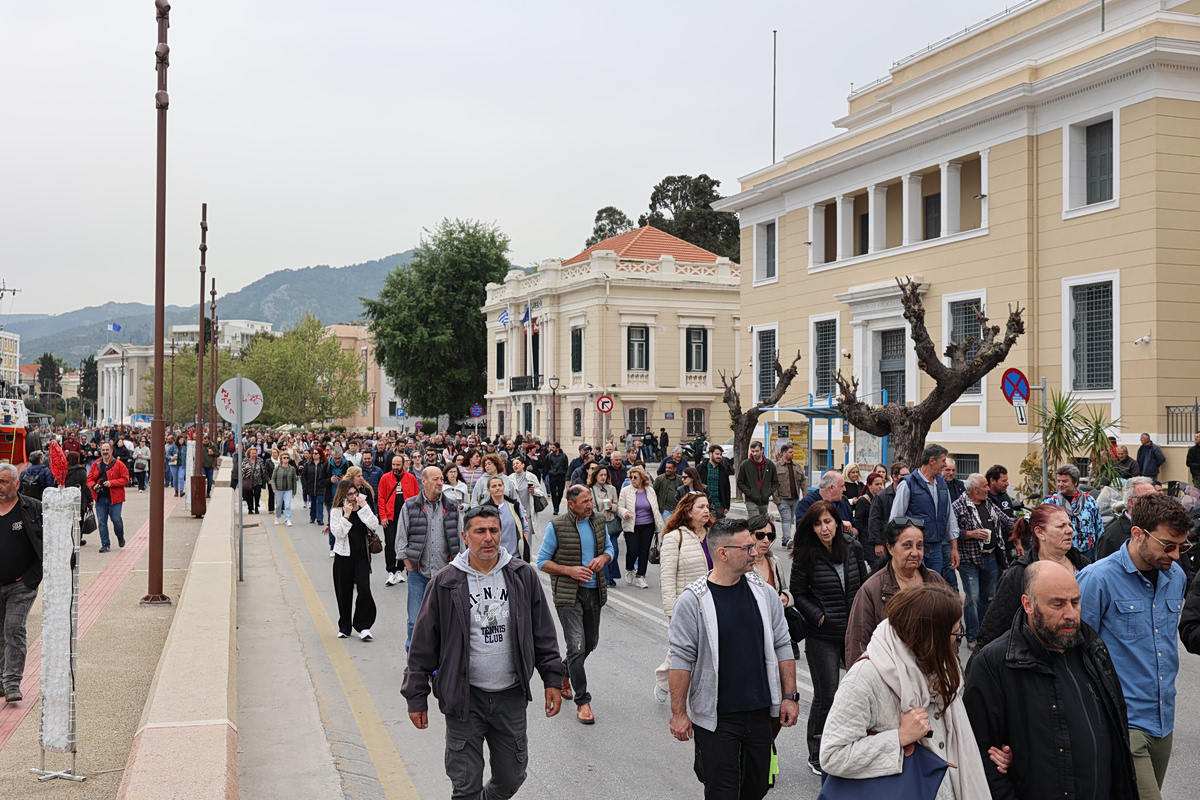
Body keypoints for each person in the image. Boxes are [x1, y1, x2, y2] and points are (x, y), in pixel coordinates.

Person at [402, 505, 565, 800]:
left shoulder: (521, 575)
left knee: (511, 776)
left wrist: (553, 678)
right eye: (480, 531)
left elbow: (543, 632)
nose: (488, 538)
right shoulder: (445, 581)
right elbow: (422, 645)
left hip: (510, 696)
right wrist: (416, 696)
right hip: (465, 698)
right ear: (465, 536)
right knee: (465, 785)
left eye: (494, 530)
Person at [964, 561, 1139, 800]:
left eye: (1075, 602)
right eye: (1058, 604)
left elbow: (1116, 734)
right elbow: (981, 757)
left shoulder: (1093, 648)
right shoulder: (994, 664)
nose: (1070, 615)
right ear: (1028, 604)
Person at [667, 517, 798, 800]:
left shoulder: (764, 593)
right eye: (747, 547)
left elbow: (783, 645)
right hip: (717, 717)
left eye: (753, 546)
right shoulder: (693, 601)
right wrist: (678, 712)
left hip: (761, 712)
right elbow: (681, 659)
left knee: (757, 788)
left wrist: (790, 696)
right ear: (722, 553)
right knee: (722, 792)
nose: (755, 552)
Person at [821, 584, 991, 800]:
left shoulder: (944, 668)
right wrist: (899, 737)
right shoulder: (865, 677)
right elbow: (832, 755)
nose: (957, 638)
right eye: (954, 632)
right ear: (931, 636)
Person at [1077, 492, 1190, 800]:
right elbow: (1076, 653)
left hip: (1164, 718)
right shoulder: (1097, 579)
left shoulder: (1175, 575)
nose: (1177, 554)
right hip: (1123, 721)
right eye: (1168, 545)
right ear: (1138, 534)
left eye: (1183, 546)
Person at [789, 500, 868, 773]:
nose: (824, 528)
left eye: (828, 521)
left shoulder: (853, 547)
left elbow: (865, 585)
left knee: (860, 692)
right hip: (822, 635)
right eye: (818, 523)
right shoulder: (805, 553)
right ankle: (817, 754)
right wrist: (817, 616)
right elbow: (797, 593)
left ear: (837, 521)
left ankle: (849, 746)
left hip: (854, 633)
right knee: (828, 694)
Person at [536, 484, 614, 724]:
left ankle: (563, 672)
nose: (590, 505)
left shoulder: (599, 521)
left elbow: (609, 548)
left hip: (594, 593)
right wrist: (569, 570)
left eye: (591, 500)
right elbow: (542, 562)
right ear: (571, 505)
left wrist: (603, 558)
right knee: (577, 646)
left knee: (590, 643)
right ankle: (583, 701)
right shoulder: (557, 526)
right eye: (584, 502)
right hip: (568, 597)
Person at [972, 504, 1091, 654]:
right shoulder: (1019, 574)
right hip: (1036, 658)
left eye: (1069, 524)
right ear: (1040, 532)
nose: (1070, 530)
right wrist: (979, 668)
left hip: (1079, 654)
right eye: (1061, 526)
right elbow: (993, 631)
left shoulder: (1083, 565)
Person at [845, 517, 948, 665]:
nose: (914, 552)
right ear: (890, 548)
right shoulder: (872, 590)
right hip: (890, 679)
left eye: (919, 546)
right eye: (907, 545)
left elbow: (954, 628)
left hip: (932, 674)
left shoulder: (935, 581)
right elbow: (858, 644)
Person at [396, 467, 462, 651]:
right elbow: (401, 539)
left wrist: (458, 566)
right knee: (415, 621)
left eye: (442, 479)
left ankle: (439, 663)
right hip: (419, 574)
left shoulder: (452, 506)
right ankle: (414, 661)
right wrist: (409, 565)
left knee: (444, 622)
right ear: (423, 481)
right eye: (436, 479)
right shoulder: (410, 505)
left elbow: (459, 537)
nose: (440, 482)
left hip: (444, 575)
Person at [656, 493, 713, 703]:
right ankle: (664, 680)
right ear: (688, 511)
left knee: (709, 649)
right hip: (686, 605)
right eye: (700, 507)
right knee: (682, 650)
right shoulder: (674, 537)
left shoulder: (714, 535)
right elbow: (667, 576)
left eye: (707, 506)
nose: (706, 510)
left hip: (714, 603)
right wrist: (671, 611)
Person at [952, 473, 1012, 649]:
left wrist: (1023, 522)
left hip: (991, 557)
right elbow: (952, 531)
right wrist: (971, 534)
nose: (988, 489)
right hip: (969, 559)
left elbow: (1006, 520)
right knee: (973, 598)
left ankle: (984, 634)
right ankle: (972, 637)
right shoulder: (958, 507)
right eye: (985, 486)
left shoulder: (989, 503)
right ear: (975, 489)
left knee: (989, 598)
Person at [0, 463, 44, 703]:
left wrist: (31, 578)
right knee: (0, 633)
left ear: (17, 484)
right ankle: (1, 680)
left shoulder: (32, 509)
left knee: (14, 629)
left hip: (21, 585)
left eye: (4, 482)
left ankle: (13, 682)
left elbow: (48, 545)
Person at [889, 443, 959, 586]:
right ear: (932, 460)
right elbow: (896, 519)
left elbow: (949, 517)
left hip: (937, 546)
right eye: (943, 461)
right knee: (914, 584)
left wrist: (954, 548)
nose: (945, 465)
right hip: (915, 546)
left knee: (932, 586)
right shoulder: (908, 483)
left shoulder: (942, 484)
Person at [329, 481, 380, 641]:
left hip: (362, 556)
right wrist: (346, 515)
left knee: (364, 589)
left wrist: (364, 507)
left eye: (355, 493)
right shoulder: (336, 511)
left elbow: (374, 525)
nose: (353, 497)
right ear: (343, 496)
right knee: (344, 593)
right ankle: (344, 626)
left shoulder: (363, 506)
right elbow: (338, 533)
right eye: (350, 494)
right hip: (343, 557)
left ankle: (363, 626)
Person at [617, 466, 664, 589]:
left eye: (635, 477)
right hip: (631, 525)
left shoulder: (650, 490)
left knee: (644, 551)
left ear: (642, 478)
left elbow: (655, 508)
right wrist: (625, 513)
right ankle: (629, 568)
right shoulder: (626, 491)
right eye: (630, 477)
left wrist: (659, 525)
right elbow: (619, 507)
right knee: (633, 550)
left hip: (647, 525)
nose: (632, 479)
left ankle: (641, 576)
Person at [1045, 464, 1103, 562]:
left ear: (1075, 482)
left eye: (1064, 481)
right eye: (1058, 481)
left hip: (1084, 554)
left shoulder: (1089, 501)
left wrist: (1098, 558)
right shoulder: (1050, 502)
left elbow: (1099, 529)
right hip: (1058, 554)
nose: (1060, 484)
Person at [378, 455, 420, 587]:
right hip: (390, 517)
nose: (395, 467)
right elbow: (381, 498)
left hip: (406, 517)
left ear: (404, 465)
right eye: (393, 465)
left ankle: (400, 570)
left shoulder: (411, 478)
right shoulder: (385, 478)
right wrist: (383, 516)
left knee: (404, 544)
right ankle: (391, 571)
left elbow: (416, 497)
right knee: (390, 544)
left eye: (398, 465)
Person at [1094, 476, 1157, 560]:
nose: (1156, 502)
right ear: (1131, 502)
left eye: (1157, 497)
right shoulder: (1111, 537)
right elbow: (1104, 570)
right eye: (1148, 498)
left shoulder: (1160, 527)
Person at [87, 441, 130, 553]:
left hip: (115, 498)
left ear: (111, 451)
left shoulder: (119, 464)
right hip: (100, 498)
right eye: (103, 450)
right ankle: (105, 544)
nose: (105, 452)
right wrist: (93, 485)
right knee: (101, 522)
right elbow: (89, 480)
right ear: (100, 451)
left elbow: (126, 479)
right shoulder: (95, 464)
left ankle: (120, 537)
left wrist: (112, 483)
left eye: (107, 450)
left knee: (116, 520)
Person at [482, 475, 531, 561]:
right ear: (489, 491)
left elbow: (525, 527)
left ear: (504, 487)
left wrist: (523, 546)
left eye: (500, 485)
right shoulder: (484, 509)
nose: (498, 488)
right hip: (495, 558)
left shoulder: (514, 505)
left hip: (515, 557)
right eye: (494, 486)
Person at [867, 462, 910, 559]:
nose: (908, 478)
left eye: (909, 475)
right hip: (886, 541)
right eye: (904, 475)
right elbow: (874, 520)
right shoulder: (882, 496)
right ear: (894, 477)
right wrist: (878, 542)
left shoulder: (911, 494)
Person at [587, 466, 620, 586]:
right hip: (598, 524)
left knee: (614, 550)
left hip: (610, 524)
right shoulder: (590, 490)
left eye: (605, 475)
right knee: (602, 552)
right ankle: (606, 578)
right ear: (595, 476)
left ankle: (611, 574)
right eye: (601, 475)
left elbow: (617, 505)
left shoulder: (611, 489)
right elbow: (589, 507)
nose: (603, 477)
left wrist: (612, 506)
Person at [795, 470, 854, 536]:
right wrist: (839, 524)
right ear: (831, 488)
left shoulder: (843, 504)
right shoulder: (807, 503)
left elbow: (855, 527)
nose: (845, 489)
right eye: (842, 486)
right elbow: (801, 529)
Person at [736, 441, 778, 518]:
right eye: (753, 451)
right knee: (755, 520)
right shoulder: (745, 465)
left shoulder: (769, 464)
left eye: (757, 451)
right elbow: (740, 482)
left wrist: (768, 492)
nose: (755, 454)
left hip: (764, 500)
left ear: (762, 450)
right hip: (751, 499)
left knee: (762, 523)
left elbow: (775, 482)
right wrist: (749, 493)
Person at [774, 444, 806, 547]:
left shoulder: (797, 466)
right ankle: (788, 539)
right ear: (784, 453)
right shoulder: (776, 467)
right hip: (783, 499)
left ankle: (785, 539)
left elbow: (803, 482)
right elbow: (772, 483)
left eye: (793, 452)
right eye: (790, 452)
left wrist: (805, 497)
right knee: (786, 519)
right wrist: (776, 498)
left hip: (795, 499)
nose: (793, 454)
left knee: (792, 519)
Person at [64, 451, 93, 547]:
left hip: (66, 498)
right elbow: (85, 486)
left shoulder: (63, 470)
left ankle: (68, 538)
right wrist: (90, 499)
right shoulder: (81, 470)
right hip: (79, 499)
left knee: (68, 520)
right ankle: (78, 539)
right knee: (79, 520)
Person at [697, 444, 733, 520]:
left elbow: (727, 488)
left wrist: (727, 506)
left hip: (718, 504)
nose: (719, 456)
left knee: (719, 528)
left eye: (720, 454)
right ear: (710, 454)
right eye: (717, 454)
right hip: (704, 503)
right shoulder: (701, 468)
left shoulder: (723, 469)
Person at [852, 471, 884, 547]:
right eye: (877, 484)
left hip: (880, 535)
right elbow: (858, 521)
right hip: (866, 539)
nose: (880, 486)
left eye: (881, 484)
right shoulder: (863, 501)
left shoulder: (881, 498)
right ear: (869, 485)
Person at [652, 458, 684, 523]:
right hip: (664, 510)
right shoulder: (659, 479)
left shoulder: (680, 480)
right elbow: (653, 493)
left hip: (677, 510)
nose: (667, 470)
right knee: (669, 526)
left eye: (670, 468)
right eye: (666, 468)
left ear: (675, 469)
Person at [271, 452, 298, 526]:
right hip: (279, 489)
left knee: (287, 505)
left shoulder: (292, 469)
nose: (286, 459)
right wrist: (274, 488)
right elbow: (273, 479)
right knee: (279, 505)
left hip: (288, 489)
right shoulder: (277, 468)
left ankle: (288, 519)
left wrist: (294, 491)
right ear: (281, 459)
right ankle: (277, 517)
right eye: (284, 458)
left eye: (287, 457)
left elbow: (294, 480)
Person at [545, 442, 569, 515]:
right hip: (552, 476)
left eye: (553, 448)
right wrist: (544, 476)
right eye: (551, 447)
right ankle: (555, 508)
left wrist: (567, 476)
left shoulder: (564, 456)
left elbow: (566, 466)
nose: (552, 449)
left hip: (561, 476)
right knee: (553, 492)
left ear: (558, 448)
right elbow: (546, 466)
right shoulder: (549, 456)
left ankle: (557, 504)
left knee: (560, 492)